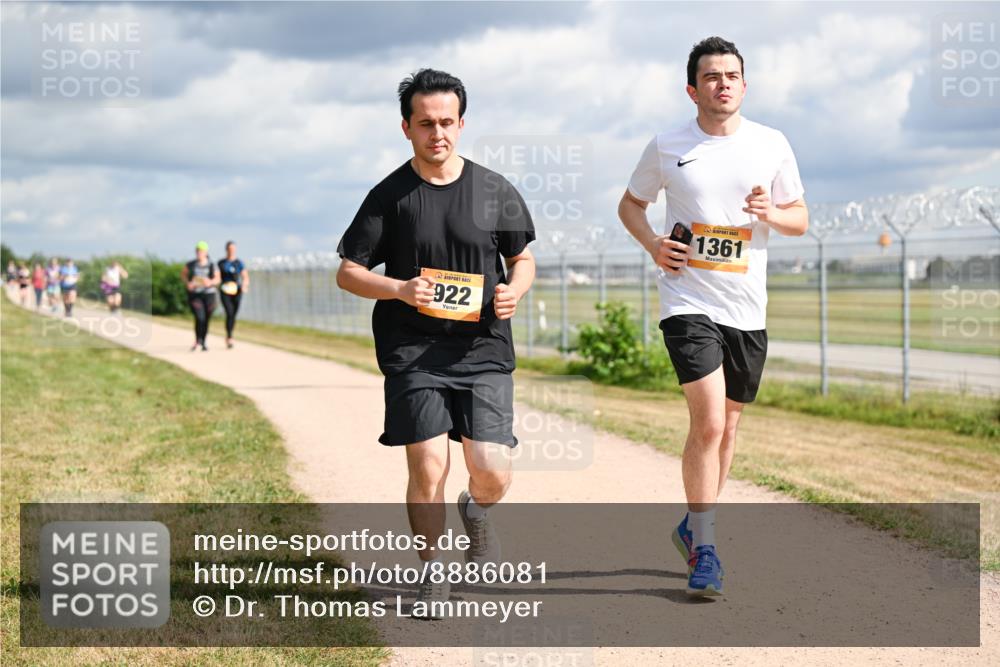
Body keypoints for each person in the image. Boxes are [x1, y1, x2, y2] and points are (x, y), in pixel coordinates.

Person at [336, 68, 536, 618]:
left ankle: (476, 510)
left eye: (447, 122)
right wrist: (399, 288)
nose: (437, 133)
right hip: (414, 353)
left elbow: (522, 259)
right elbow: (349, 272)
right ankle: (432, 574)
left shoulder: (495, 190)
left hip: (483, 349)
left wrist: (514, 290)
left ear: (462, 123)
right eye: (425, 123)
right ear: (406, 128)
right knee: (427, 468)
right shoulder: (388, 195)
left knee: (492, 469)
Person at [618, 36, 808, 597]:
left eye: (732, 75)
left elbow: (799, 218)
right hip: (687, 301)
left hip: (747, 309)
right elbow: (631, 204)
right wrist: (654, 244)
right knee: (708, 423)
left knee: (729, 429)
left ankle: (692, 523)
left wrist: (772, 211)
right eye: (711, 76)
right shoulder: (667, 145)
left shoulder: (772, 144)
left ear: (744, 86)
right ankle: (706, 548)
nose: (722, 83)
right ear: (692, 88)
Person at [181, 241, 219, 351]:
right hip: (196, 295)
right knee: (199, 317)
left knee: (206, 319)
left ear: (206, 252)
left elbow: (217, 279)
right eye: (197, 251)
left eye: (201, 251)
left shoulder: (212, 265)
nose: (199, 253)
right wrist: (188, 283)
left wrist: (210, 282)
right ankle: (197, 341)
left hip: (209, 295)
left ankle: (204, 341)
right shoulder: (191, 264)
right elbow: (183, 275)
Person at [218, 241, 249, 349]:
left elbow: (245, 276)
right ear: (226, 249)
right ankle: (229, 337)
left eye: (233, 249)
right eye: (230, 249)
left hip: (237, 291)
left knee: (234, 314)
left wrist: (245, 285)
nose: (231, 251)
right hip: (225, 291)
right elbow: (217, 276)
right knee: (229, 313)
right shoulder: (221, 263)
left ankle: (230, 333)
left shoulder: (239, 263)